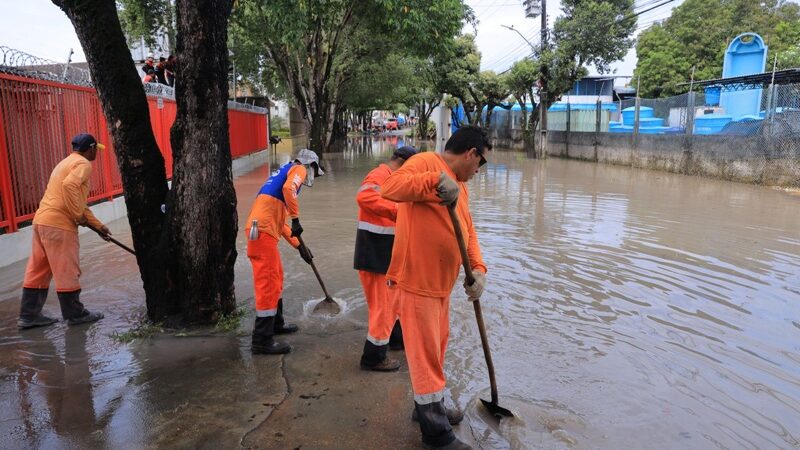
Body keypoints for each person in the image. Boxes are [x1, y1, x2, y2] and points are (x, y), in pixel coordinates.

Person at [381, 125, 491, 450]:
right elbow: (390, 187)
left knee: (437, 350)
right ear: (471, 153)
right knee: (425, 357)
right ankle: (436, 435)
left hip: (441, 287)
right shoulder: (426, 163)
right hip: (416, 282)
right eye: (480, 163)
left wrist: (479, 270)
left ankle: (430, 406)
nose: (478, 170)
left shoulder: (462, 187)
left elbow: (467, 234)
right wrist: (433, 182)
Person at [17, 133, 110, 329]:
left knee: (38, 270)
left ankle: (29, 315)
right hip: (60, 225)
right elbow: (70, 189)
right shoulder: (84, 165)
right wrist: (77, 216)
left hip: (42, 221)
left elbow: (77, 201)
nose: (96, 154)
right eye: (96, 150)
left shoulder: (65, 163)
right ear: (90, 148)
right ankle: (75, 314)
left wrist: (98, 226)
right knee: (67, 268)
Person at [245, 149, 325, 355]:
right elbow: (291, 189)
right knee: (268, 284)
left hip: (262, 230)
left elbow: (280, 225)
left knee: (276, 278)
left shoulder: (275, 182)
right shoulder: (298, 168)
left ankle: (276, 324)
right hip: (262, 233)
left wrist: (300, 247)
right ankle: (261, 340)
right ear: (310, 165)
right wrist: (296, 218)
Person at [354, 145, 417, 372]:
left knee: (394, 302)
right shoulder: (381, 174)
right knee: (384, 307)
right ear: (402, 163)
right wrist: (400, 211)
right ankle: (374, 357)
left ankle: (395, 340)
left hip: (384, 252)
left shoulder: (393, 179)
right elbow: (364, 197)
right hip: (374, 251)